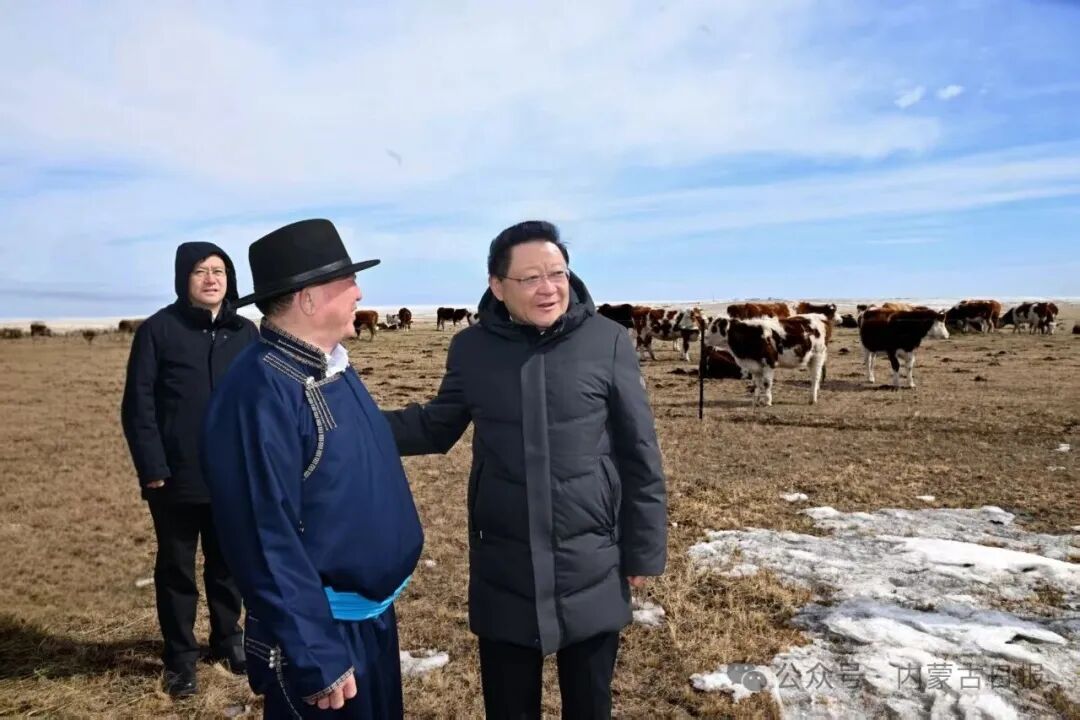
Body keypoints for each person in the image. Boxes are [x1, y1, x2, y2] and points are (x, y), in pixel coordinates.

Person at [383, 220, 667, 719]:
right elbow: (435, 427)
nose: (548, 288)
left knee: (590, 704)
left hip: (592, 558)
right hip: (505, 562)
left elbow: (638, 452)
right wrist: (351, 423)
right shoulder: (471, 349)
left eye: (557, 274)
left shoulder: (607, 340)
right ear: (497, 286)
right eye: (530, 278)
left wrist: (643, 550)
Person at [201, 219, 424, 718]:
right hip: (323, 633)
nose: (359, 293)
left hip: (368, 622)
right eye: (349, 281)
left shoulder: (329, 366)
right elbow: (262, 536)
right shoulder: (259, 393)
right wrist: (315, 652)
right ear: (308, 298)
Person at [120, 242, 259, 697]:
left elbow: (259, 401)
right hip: (175, 477)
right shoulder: (158, 330)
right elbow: (138, 404)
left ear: (229, 279)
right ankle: (180, 658)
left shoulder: (245, 332)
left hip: (232, 475)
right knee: (177, 569)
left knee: (227, 564)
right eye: (200, 271)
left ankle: (228, 640)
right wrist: (152, 466)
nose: (211, 279)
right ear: (184, 278)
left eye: (219, 270)